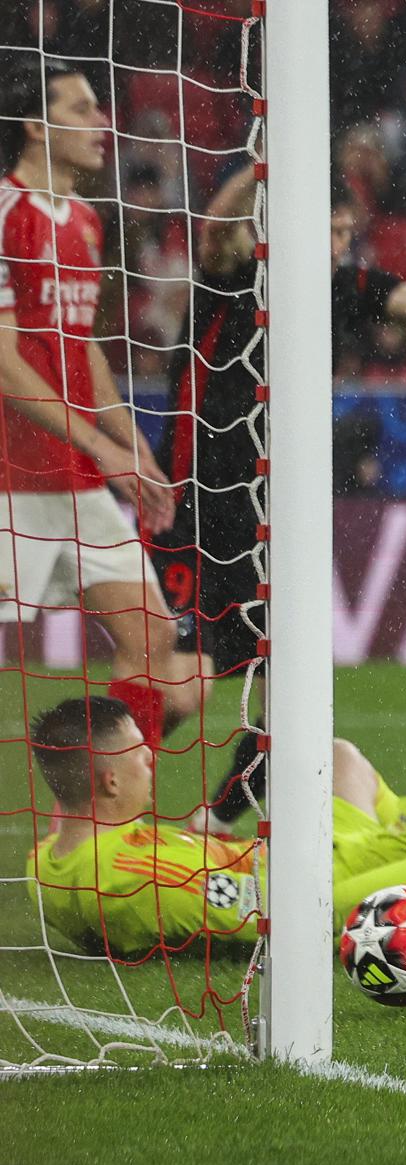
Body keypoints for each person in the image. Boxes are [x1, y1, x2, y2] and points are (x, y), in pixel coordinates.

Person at [149, 165, 406, 835]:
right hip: (195, 505)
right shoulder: (234, 274)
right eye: (328, 229)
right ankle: (101, 790)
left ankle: (212, 823)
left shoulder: (345, 288)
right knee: (185, 680)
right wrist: (265, 164)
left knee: (287, 685)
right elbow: (215, 231)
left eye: (346, 231)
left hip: (272, 513)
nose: (338, 243)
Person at [25, 670, 406, 957]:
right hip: (325, 879)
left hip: (298, 857)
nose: (152, 756)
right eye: (136, 751)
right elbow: (308, 915)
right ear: (108, 780)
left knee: (336, 758)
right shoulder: (138, 883)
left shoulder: (47, 862)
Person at [0, 60, 206, 747]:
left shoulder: (86, 220)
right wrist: (103, 447)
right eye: (82, 109)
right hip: (9, 474)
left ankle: (107, 824)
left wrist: (134, 446)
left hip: (77, 475)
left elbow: (80, 344)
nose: (102, 123)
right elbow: (3, 359)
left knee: (156, 647)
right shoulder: (5, 215)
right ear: (34, 125)